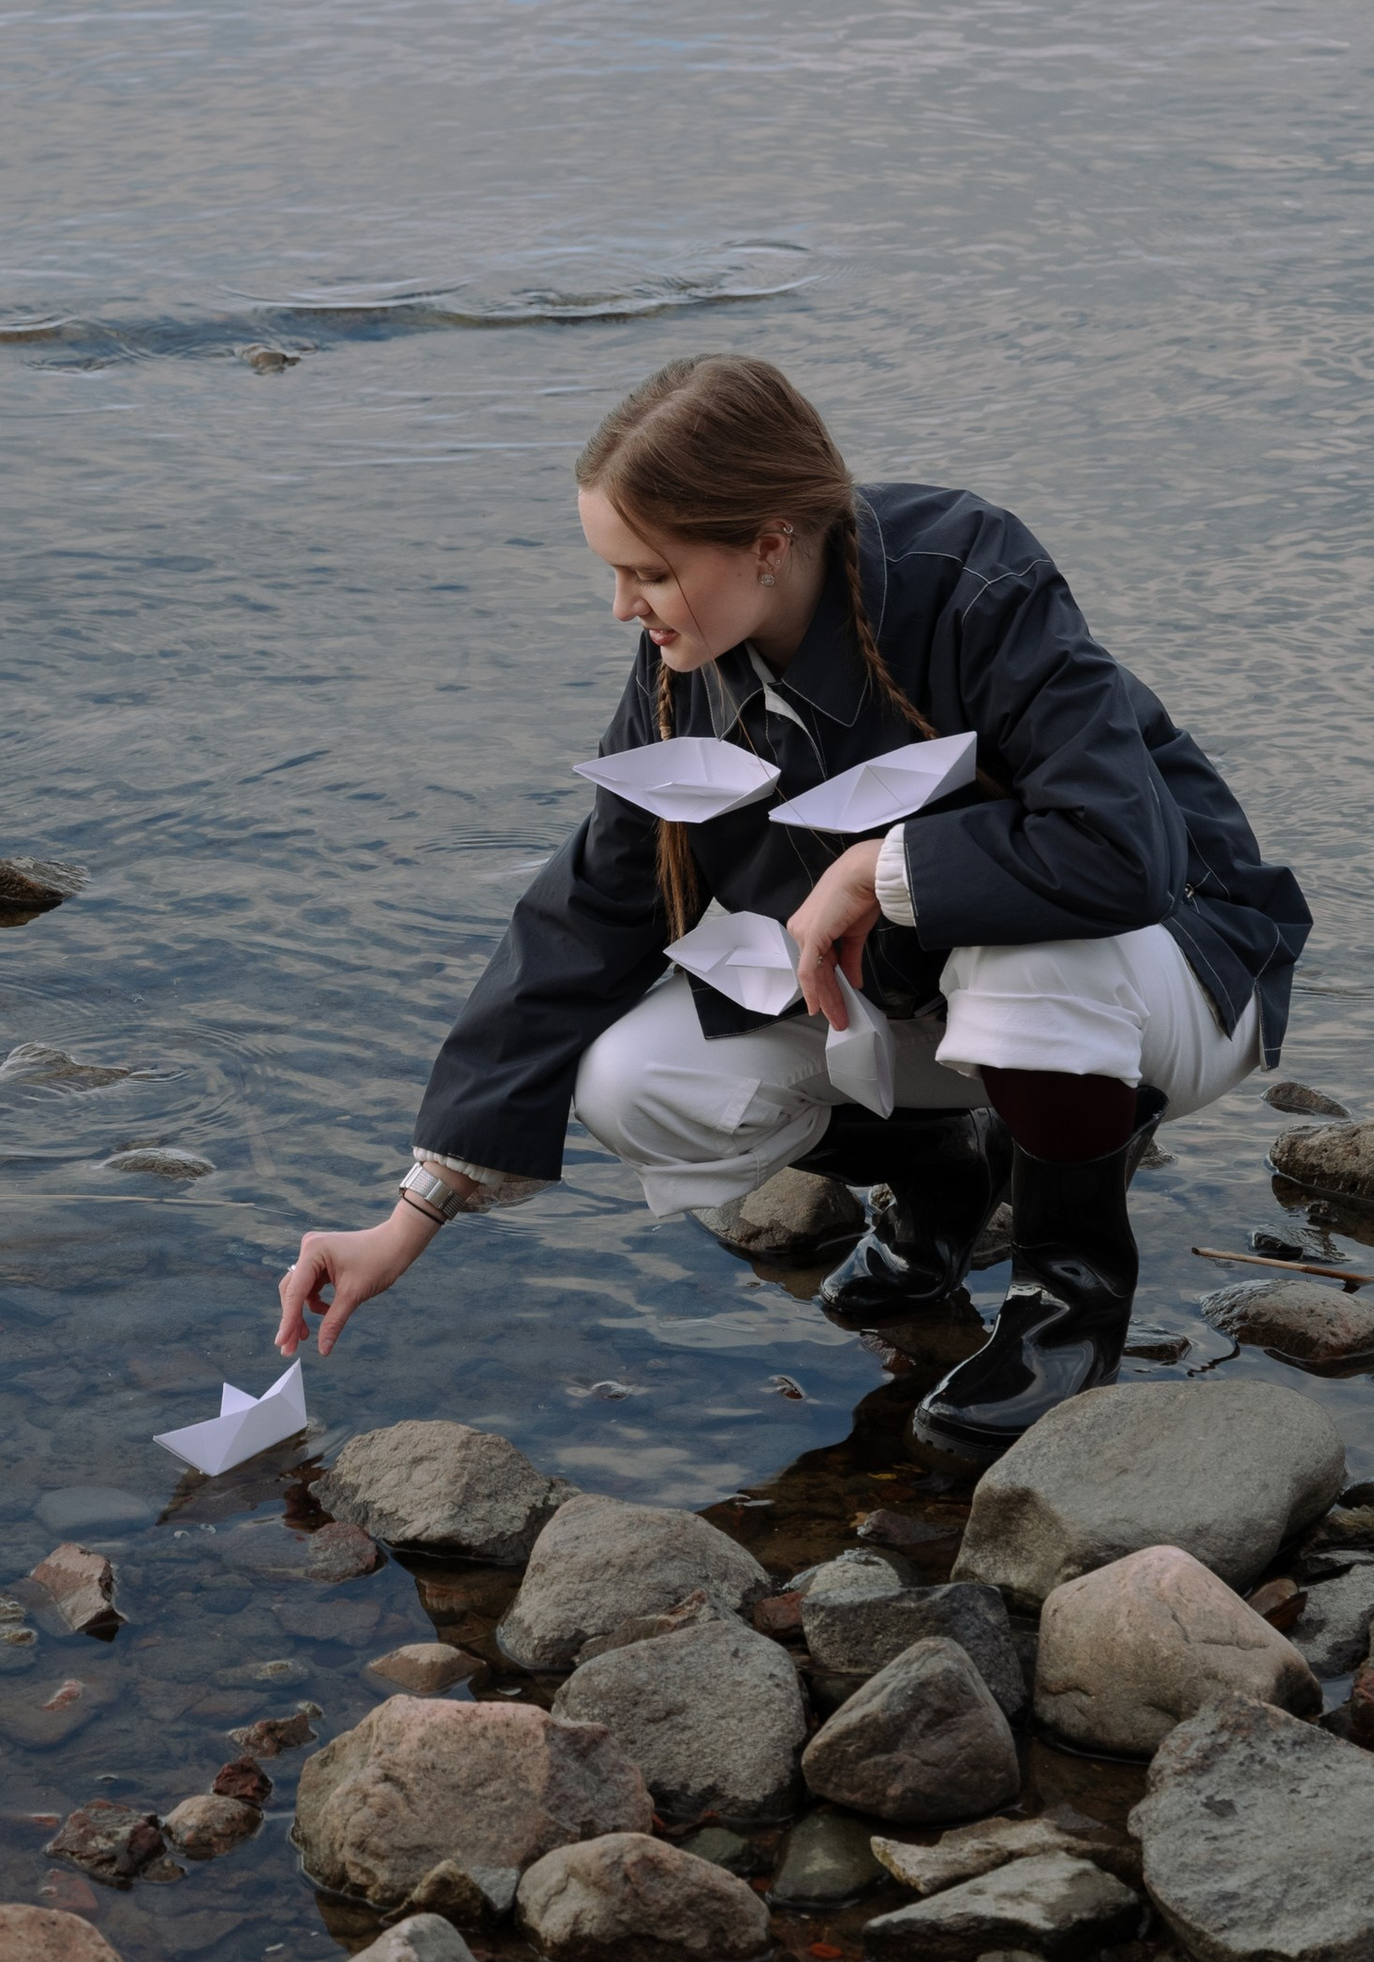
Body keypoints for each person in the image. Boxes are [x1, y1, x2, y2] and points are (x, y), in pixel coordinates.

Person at [275, 354, 1309, 1454]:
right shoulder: (682, 668)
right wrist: (411, 1211)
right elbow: (586, 916)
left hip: (1171, 974)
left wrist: (878, 868)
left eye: (649, 573)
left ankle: (1068, 1305)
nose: (623, 606)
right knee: (635, 1080)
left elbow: (1117, 849)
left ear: (768, 543)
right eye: (615, 572)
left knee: (1018, 951)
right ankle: (946, 1175)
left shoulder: (969, 573)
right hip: (939, 1006)